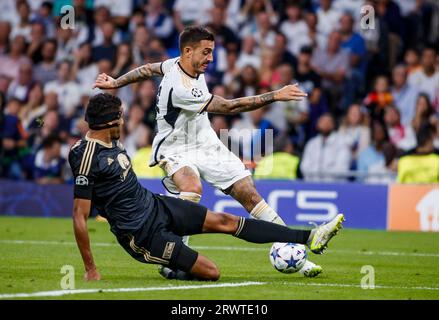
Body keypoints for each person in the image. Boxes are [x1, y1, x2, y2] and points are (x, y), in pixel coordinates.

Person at [94, 26, 324, 278]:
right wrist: (275, 95)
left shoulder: (175, 63)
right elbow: (228, 106)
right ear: (188, 51)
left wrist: (116, 81)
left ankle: (297, 256)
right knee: (192, 188)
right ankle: (175, 256)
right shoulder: (180, 87)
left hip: (205, 142)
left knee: (249, 194)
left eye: (212, 52)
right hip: (175, 147)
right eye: (206, 52)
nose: (211, 58)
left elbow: (148, 69)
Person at [69, 93, 345, 281]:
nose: (123, 119)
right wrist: (90, 269)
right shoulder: (85, 157)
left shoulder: (111, 140)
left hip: (157, 206)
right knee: (212, 273)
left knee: (227, 220)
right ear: (109, 123)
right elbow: (80, 216)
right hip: (141, 234)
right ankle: (173, 268)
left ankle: (310, 237)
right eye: (120, 116)